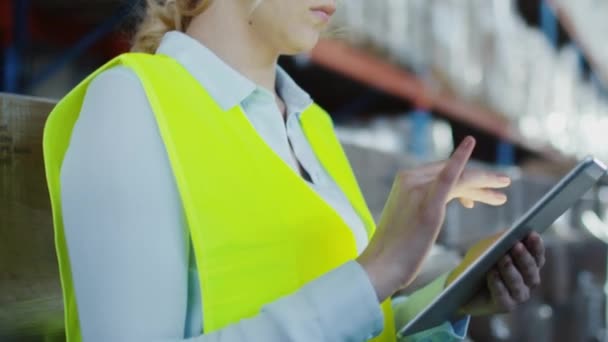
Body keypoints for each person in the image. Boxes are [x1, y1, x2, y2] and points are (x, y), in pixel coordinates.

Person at [42, 0, 546, 341]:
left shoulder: (311, 126)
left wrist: (452, 297)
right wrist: (373, 276)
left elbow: (355, 323)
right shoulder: (132, 106)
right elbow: (350, 299)